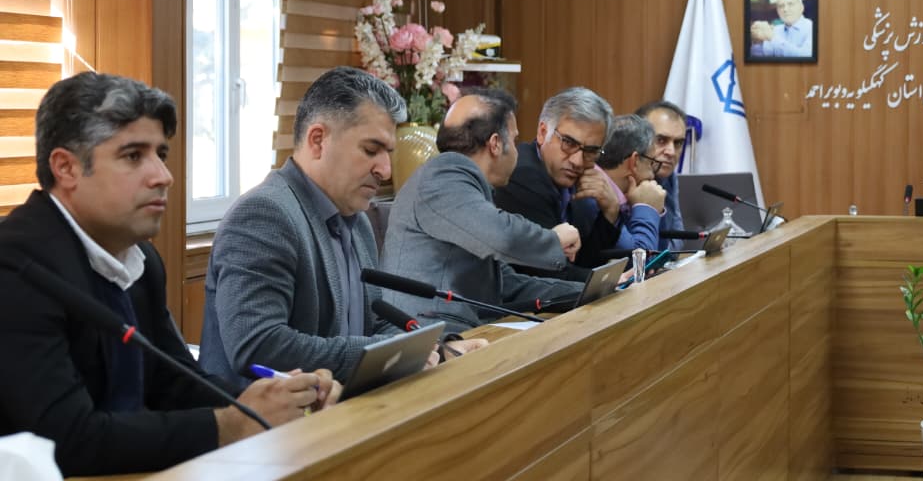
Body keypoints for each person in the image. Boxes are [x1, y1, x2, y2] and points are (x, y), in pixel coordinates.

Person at [0, 72, 339, 477]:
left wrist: (274, 400)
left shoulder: (140, 258)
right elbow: (66, 440)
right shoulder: (15, 266)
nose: (163, 175)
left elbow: (173, 382)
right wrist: (229, 425)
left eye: (161, 153)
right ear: (66, 168)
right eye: (133, 156)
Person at [199, 67, 481, 389]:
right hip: (267, 418)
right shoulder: (264, 215)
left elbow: (374, 324)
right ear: (318, 140)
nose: (385, 170)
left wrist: (435, 349)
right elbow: (259, 346)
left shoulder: (357, 221)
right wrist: (379, 353)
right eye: (371, 150)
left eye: (388, 153)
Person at [380, 89, 585, 332]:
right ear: (496, 144)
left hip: (457, 331)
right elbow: (503, 236)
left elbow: (504, 284)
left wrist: (588, 290)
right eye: (515, 141)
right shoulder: (444, 174)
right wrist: (553, 239)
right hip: (428, 337)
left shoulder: (462, 185)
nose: (517, 152)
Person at [493, 87, 620, 279]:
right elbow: (550, 270)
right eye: (569, 143)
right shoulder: (521, 175)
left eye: (590, 151)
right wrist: (612, 281)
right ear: (543, 132)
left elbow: (583, 261)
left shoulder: (578, 181)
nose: (577, 161)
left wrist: (610, 211)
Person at [594, 115, 666, 252]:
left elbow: (663, 255)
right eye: (651, 163)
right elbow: (641, 261)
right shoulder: (595, 197)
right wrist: (647, 209)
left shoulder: (623, 194)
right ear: (635, 162)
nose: (652, 176)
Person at [635, 100, 688, 232]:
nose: (671, 152)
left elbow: (675, 235)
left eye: (678, 143)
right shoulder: (621, 180)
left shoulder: (669, 177)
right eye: (661, 140)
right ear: (637, 139)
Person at [749, 0, 813, 58]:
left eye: (790, 4)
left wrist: (772, 37)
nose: (785, 9)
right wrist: (757, 41)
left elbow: (805, 57)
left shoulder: (812, 28)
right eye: (781, 6)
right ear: (777, 11)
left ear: (801, 7)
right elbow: (760, 55)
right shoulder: (775, 30)